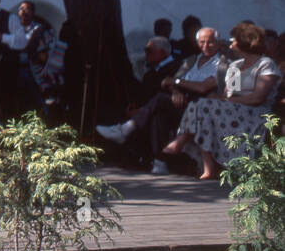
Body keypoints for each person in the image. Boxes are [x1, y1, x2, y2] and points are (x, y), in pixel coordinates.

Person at [163, 22, 282, 179]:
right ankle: (207, 166)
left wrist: (223, 101)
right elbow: (229, 95)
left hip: (256, 112)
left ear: (244, 42)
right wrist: (220, 99)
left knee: (204, 106)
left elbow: (257, 97)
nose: (230, 45)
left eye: (233, 41)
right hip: (235, 109)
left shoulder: (265, 64)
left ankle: (182, 140)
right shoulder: (236, 66)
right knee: (201, 105)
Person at [97, 26, 224, 173]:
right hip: (182, 103)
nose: (205, 46)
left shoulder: (221, 63)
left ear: (219, 43)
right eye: (202, 42)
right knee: (159, 113)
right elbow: (167, 82)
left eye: (210, 42)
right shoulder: (191, 61)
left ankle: (126, 129)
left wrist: (176, 83)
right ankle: (160, 162)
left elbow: (202, 87)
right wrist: (176, 90)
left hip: (201, 107)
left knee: (159, 100)